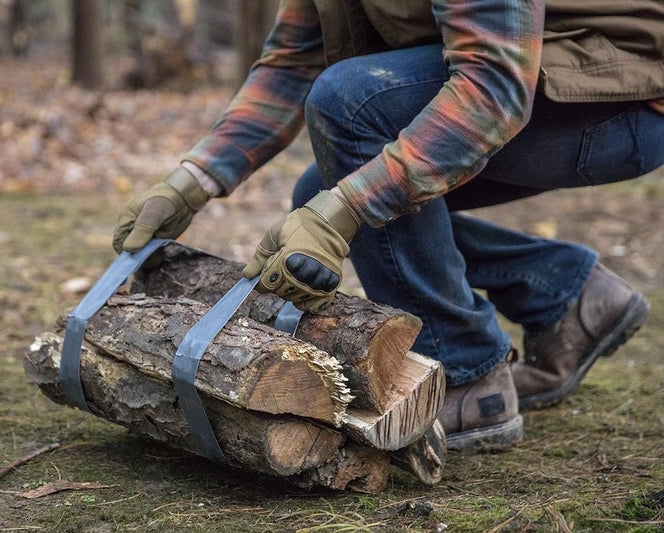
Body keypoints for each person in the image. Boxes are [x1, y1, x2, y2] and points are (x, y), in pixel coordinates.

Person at [113, 0, 664, 452]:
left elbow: (493, 88)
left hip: (622, 99)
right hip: (550, 79)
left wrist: (345, 212)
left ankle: (469, 377)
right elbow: (289, 66)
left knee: (353, 104)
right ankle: (563, 293)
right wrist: (194, 179)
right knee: (320, 191)